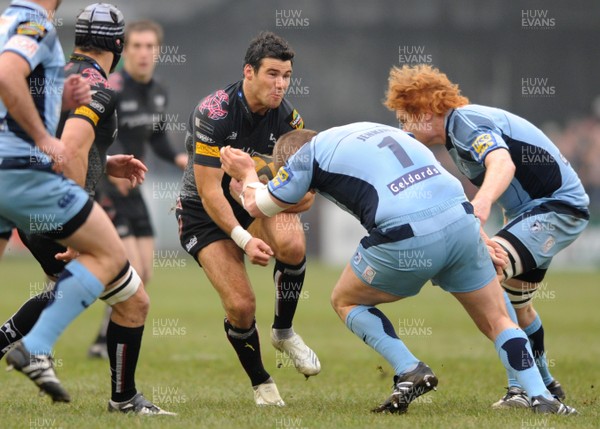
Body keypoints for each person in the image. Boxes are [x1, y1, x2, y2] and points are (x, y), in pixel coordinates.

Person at [220, 123, 578, 415]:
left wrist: (247, 173)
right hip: (462, 221)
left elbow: (258, 205)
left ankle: (410, 368)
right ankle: (541, 396)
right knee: (499, 318)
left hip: (407, 234)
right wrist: (475, 234)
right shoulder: (376, 130)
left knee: (346, 300)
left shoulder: (305, 156)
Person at [0, 2, 173, 415]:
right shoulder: (96, 81)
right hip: (48, 201)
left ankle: (14, 340)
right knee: (134, 301)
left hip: (23, 192)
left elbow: (70, 139)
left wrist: (105, 160)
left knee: (66, 286)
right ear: (119, 43)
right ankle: (122, 398)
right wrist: (74, 228)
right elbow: (70, 149)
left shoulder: (60, 69)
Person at [383, 64, 589, 408]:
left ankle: (521, 390)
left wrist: (481, 204)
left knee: (487, 273)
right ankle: (546, 384)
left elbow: (503, 165)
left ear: (428, 108)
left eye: (406, 117)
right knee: (519, 306)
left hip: (555, 209)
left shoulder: (465, 123)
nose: (403, 127)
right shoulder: (455, 134)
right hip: (535, 213)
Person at [176, 31, 320, 406]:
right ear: (249, 72)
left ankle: (284, 332)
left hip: (251, 199)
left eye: (286, 75)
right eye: (273, 74)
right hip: (202, 213)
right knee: (241, 306)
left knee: (292, 243)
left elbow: (306, 195)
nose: (281, 84)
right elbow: (210, 192)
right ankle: (262, 383)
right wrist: (243, 238)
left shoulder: (289, 118)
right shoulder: (214, 113)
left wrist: (268, 192)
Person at [88, 19, 188, 359]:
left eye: (150, 47)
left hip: (135, 188)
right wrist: (108, 166)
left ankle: (103, 337)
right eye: (136, 46)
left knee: (144, 272)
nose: (144, 53)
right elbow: (89, 136)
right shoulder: (110, 87)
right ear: (124, 50)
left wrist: (177, 158)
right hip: (105, 185)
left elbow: (156, 135)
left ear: (158, 51)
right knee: (126, 265)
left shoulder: (158, 90)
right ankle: (65, 313)